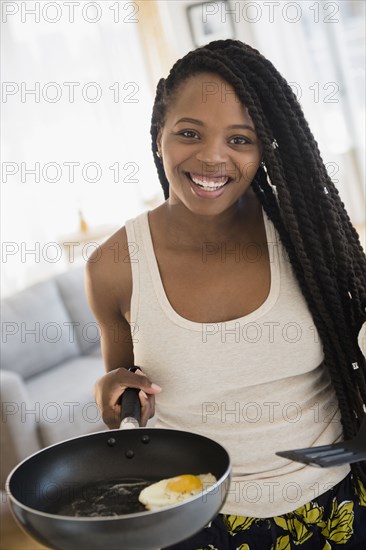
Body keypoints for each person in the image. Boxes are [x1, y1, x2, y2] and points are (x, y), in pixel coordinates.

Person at [86, 39, 366, 549]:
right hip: (197, 517)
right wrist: (112, 395)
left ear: (264, 150)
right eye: (189, 133)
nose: (212, 157)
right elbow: (125, 398)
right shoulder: (113, 265)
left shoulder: (306, 238)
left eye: (241, 140)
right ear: (158, 137)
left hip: (333, 501)